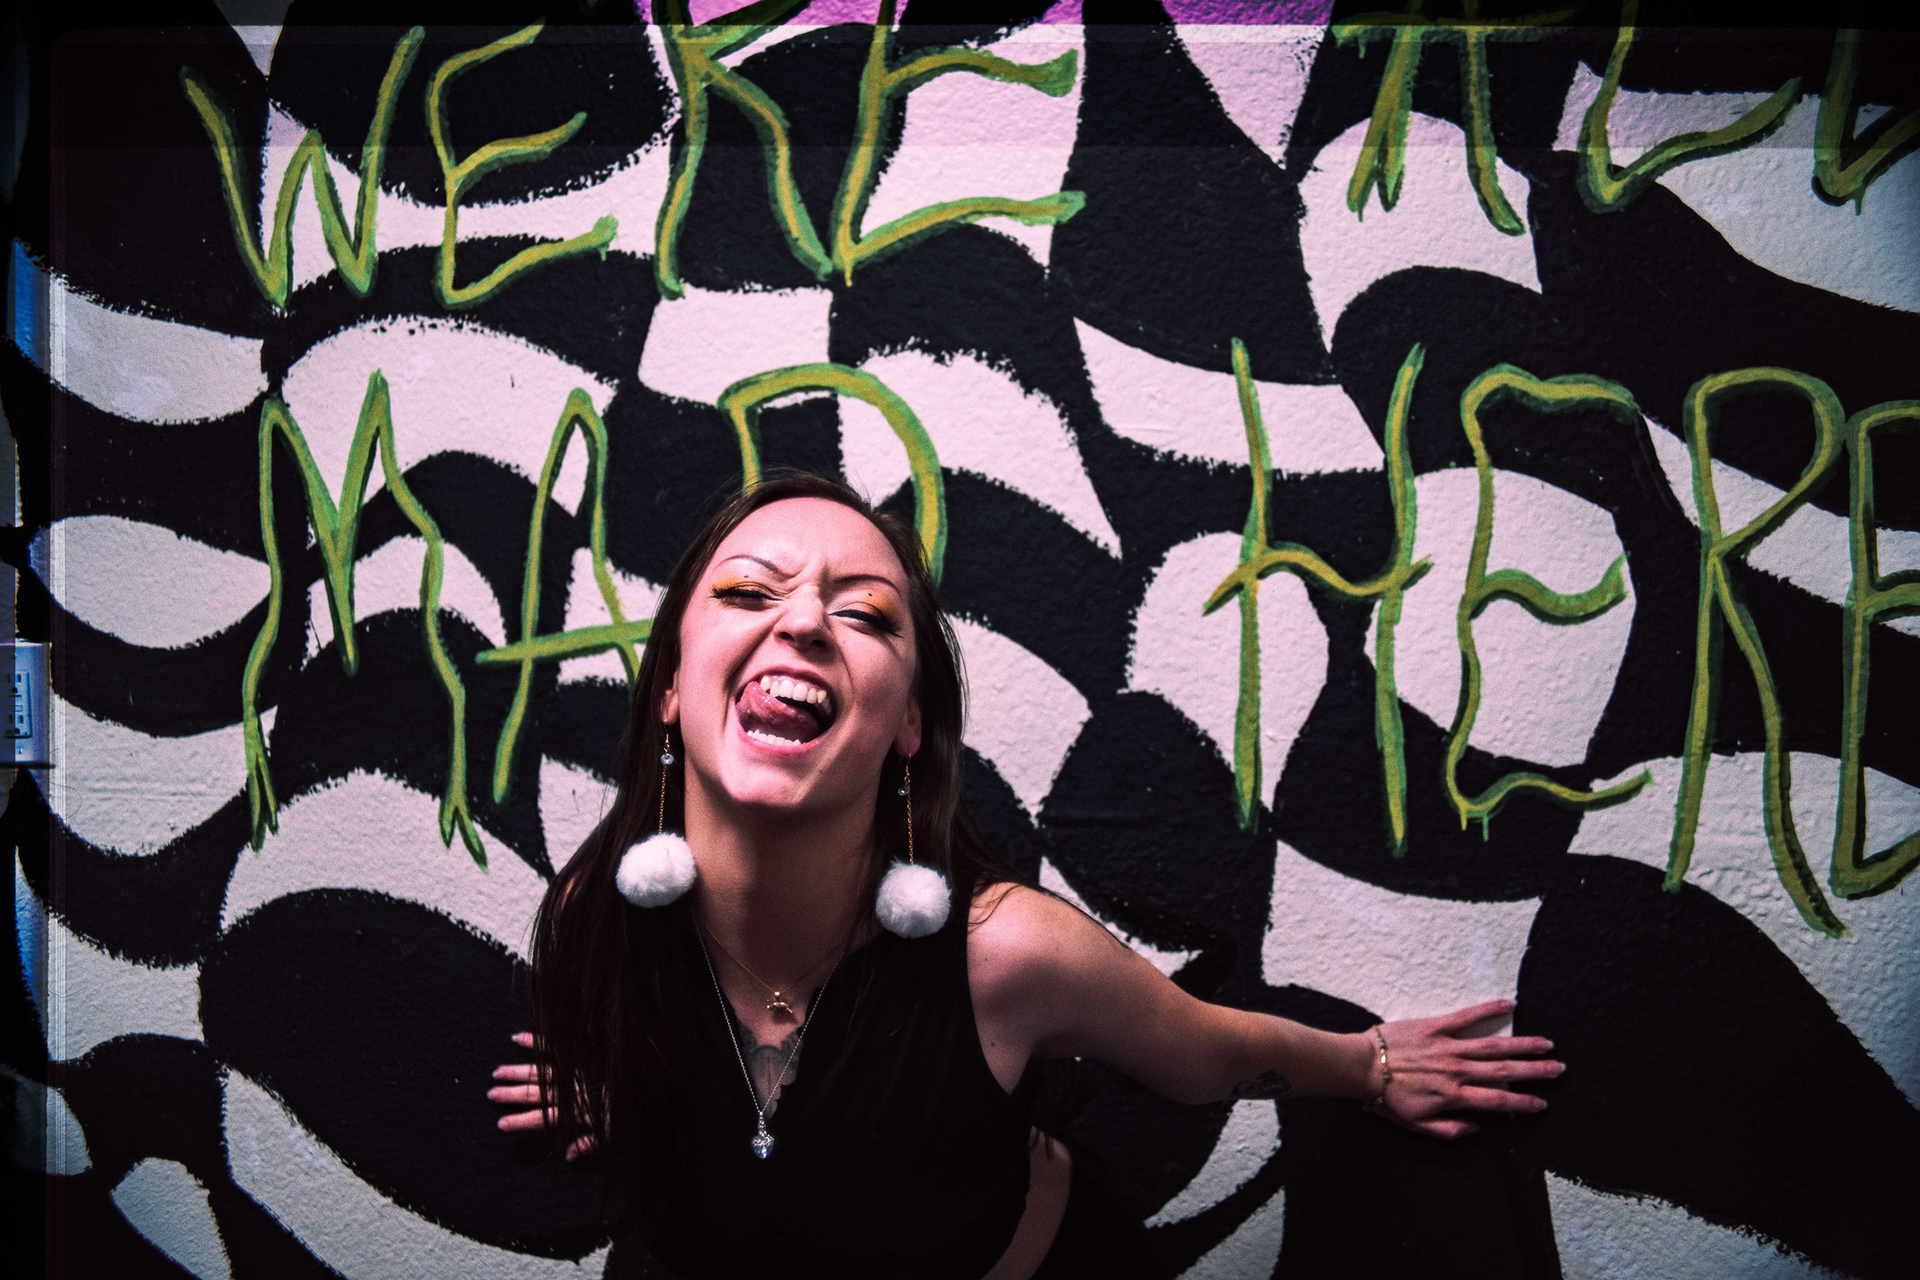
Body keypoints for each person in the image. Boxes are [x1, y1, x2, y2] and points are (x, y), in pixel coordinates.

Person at [488, 470, 1563, 1279]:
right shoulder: (597, 918)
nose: (805, 618)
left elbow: (1207, 1054)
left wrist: (1370, 1066)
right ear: (672, 686)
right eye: (747, 590)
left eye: (864, 613)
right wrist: (619, 1074)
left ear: (908, 726)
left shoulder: (1006, 954)